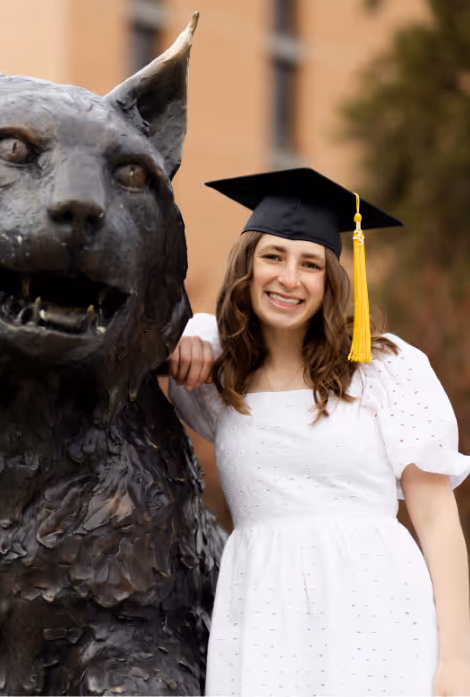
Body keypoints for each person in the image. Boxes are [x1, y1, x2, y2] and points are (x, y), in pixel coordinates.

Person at [167, 168, 470, 697]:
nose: (289, 278)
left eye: (310, 264)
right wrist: (193, 327)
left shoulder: (382, 369)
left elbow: (438, 522)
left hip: (377, 618)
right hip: (259, 622)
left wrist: (458, 661)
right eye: (273, 257)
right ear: (247, 265)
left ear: (331, 277)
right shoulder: (223, 379)